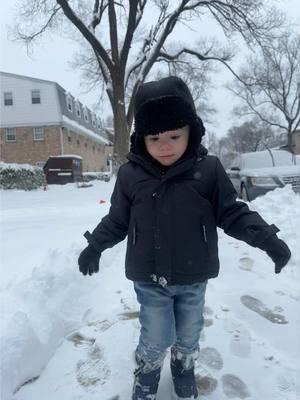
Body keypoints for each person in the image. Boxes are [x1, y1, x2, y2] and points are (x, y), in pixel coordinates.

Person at [78, 76, 291, 400]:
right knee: (157, 333)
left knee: (190, 330)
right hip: (149, 277)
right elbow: (118, 219)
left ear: (192, 131)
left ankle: (184, 363)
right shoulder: (131, 175)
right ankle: (147, 370)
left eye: (174, 136)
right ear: (141, 139)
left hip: (193, 277)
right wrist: (95, 245)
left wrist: (267, 238)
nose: (165, 145)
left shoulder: (208, 170)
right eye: (154, 137)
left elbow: (232, 212)